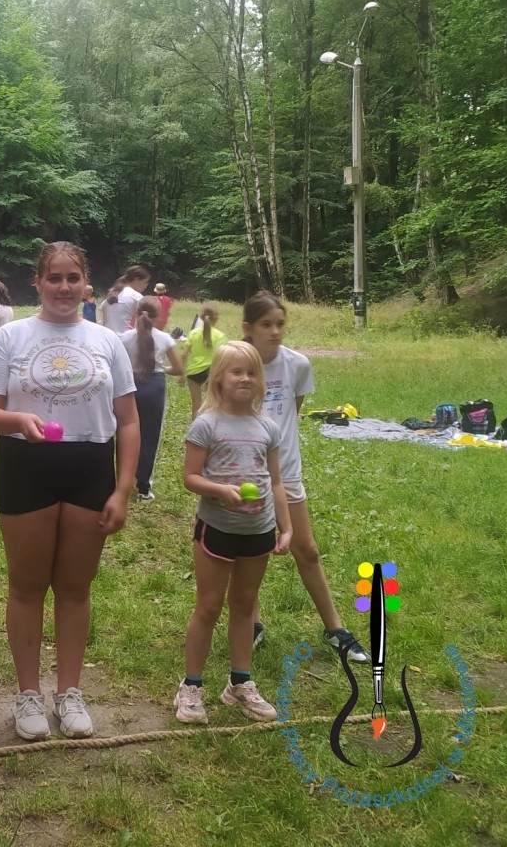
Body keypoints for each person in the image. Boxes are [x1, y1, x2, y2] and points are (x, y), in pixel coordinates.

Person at [0, 242, 140, 742]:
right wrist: (17, 420)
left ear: (86, 283)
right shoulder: (11, 336)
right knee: (26, 586)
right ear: (38, 282)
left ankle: (69, 693)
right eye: (54, 278)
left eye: (73, 278)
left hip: (91, 467)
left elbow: (129, 420)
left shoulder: (107, 340)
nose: (64, 287)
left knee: (74, 587)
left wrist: (123, 489)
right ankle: (28, 694)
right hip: (25, 465)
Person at [242, 291, 371, 664]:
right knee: (248, 553)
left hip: (285, 471)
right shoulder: (235, 362)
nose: (275, 331)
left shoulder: (297, 364)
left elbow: (290, 415)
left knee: (307, 549)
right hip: (244, 472)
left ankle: (335, 628)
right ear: (248, 327)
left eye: (280, 324)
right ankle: (252, 623)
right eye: (266, 324)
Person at [174, 340, 292, 725]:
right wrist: (220, 490)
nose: (245, 379)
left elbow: (276, 482)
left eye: (252, 372)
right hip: (217, 530)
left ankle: (240, 683)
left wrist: (286, 527)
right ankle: (191, 686)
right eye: (236, 372)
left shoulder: (267, 427)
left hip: (258, 530)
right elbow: (190, 477)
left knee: (244, 605)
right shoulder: (206, 424)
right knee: (208, 606)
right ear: (218, 379)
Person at [119, 297, 184, 503]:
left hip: (129, 386)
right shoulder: (165, 339)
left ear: (136, 313)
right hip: (154, 387)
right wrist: (160, 369)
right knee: (150, 437)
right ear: (158, 316)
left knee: (124, 433)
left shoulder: (124, 338)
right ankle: (143, 488)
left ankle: (122, 481)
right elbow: (178, 369)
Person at [181, 303, 227, 421]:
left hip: (193, 373)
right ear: (216, 318)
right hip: (211, 373)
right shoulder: (220, 336)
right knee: (212, 404)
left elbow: (184, 355)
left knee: (196, 406)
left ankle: (196, 429)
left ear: (201, 318)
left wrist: (181, 375)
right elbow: (223, 357)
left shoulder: (193, 333)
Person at [99, 265, 150, 334]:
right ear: (136, 280)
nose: (145, 286)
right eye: (145, 282)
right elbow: (147, 321)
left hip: (106, 336)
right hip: (123, 338)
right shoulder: (136, 296)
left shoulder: (113, 294)